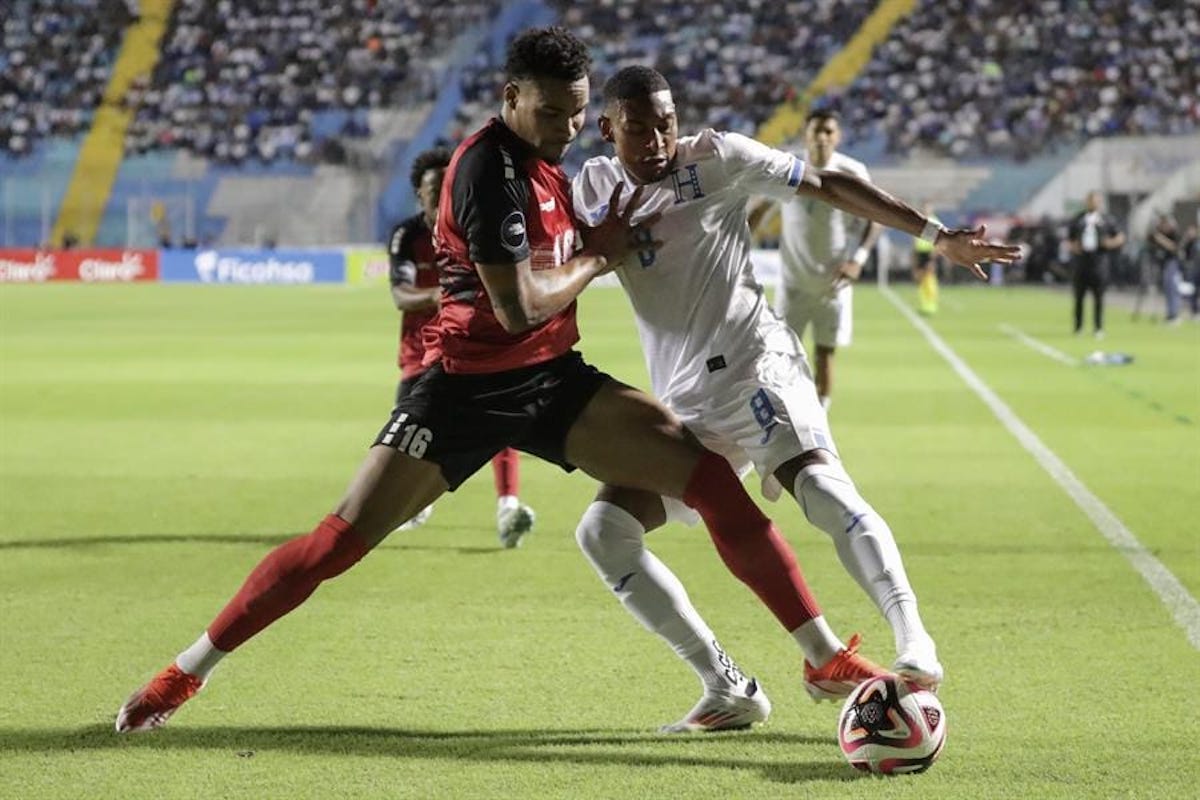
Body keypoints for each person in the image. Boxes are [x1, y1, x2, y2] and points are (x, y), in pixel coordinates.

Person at [115, 27, 886, 735]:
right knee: (336, 544)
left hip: (552, 380)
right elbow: (517, 308)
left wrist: (612, 233)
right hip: (463, 390)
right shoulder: (488, 171)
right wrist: (601, 253)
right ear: (509, 98)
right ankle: (184, 674)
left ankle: (813, 659)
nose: (567, 128)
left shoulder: (550, 160)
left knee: (713, 481)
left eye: (579, 113)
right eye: (551, 112)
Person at [571, 66, 1022, 703]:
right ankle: (726, 687)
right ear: (608, 129)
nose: (656, 141)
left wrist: (935, 235)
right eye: (638, 129)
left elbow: (827, 183)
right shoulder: (592, 188)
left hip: (756, 365)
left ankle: (914, 639)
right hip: (684, 402)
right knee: (603, 532)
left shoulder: (719, 157)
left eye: (666, 124)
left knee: (822, 491)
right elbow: (556, 264)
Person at [387, 146, 536, 545]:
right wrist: (440, 295)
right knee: (412, 429)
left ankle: (508, 508)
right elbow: (401, 294)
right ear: (419, 194)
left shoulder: (474, 226)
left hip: (472, 347)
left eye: (446, 187)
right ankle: (417, 503)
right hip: (420, 353)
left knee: (499, 422)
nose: (440, 196)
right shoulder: (408, 235)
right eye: (431, 190)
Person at [746, 110, 881, 411]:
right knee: (781, 355)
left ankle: (820, 421)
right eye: (816, 131)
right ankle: (785, 419)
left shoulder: (852, 170)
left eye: (828, 131)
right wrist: (738, 244)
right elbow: (759, 209)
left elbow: (876, 217)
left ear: (838, 136)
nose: (822, 137)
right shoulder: (788, 166)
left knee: (824, 356)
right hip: (793, 282)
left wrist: (858, 259)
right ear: (805, 135)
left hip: (834, 284)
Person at [1066, 191, 1124, 338]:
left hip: (1099, 261)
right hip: (1081, 261)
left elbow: (1120, 236)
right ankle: (1078, 327)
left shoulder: (1107, 220)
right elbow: (1069, 239)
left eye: (1096, 200)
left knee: (1099, 297)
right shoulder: (1078, 219)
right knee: (1079, 297)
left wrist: (1110, 243)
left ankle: (1098, 328)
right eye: (1091, 200)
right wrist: (1074, 247)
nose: (1093, 203)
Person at [1147, 213, 1182, 326]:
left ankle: (1174, 314)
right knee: (1167, 289)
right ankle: (1169, 314)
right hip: (1162, 263)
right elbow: (1149, 239)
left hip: (1172, 263)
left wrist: (1160, 238)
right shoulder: (1159, 232)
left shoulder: (1174, 233)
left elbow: (1174, 247)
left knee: (1172, 288)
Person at [912, 202, 944, 315]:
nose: (925, 209)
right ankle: (924, 304)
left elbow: (938, 242)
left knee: (929, 279)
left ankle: (931, 305)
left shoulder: (933, 222)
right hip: (920, 253)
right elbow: (916, 240)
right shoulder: (921, 221)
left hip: (929, 254)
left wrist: (933, 259)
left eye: (927, 207)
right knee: (920, 280)